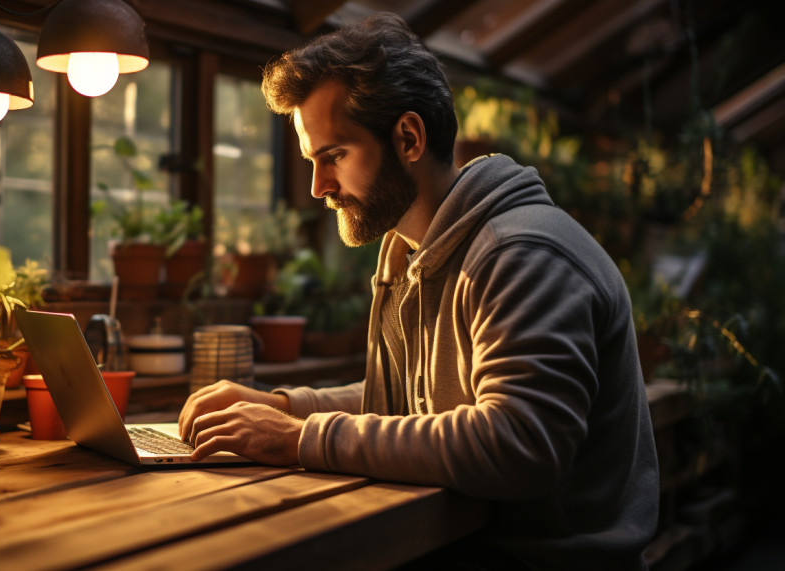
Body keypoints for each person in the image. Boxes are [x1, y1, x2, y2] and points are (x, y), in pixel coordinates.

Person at [178, 12, 659, 570]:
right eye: (313, 161)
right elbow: (410, 404)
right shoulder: (410, 251)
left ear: (408, 137)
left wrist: (297, 438)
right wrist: (284, 407)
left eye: (334, 156)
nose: (318, 187)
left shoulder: (521, 254)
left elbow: (520, 445)